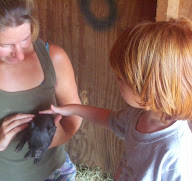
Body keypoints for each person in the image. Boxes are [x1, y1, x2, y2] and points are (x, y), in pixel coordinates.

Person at [41, 18, 192, 181]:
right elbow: (108, 118)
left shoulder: (176, 154)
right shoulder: (139, 115)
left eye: (121, 78)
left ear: (149, 88)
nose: (116, 80)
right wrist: (72, 109)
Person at [0, 0, 82, 181]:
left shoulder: (54, 58)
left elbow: (75, 113)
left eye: (25, 39)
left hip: (53, 173)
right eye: (5, 45)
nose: (20, 55)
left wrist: (62, 135)